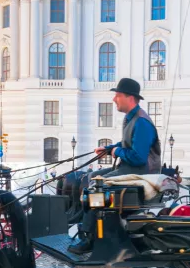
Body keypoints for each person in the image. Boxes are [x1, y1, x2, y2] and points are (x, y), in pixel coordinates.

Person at [69, 77, 161, 254]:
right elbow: (128, 142)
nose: (114, 99)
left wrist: (116, 152)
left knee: (96, 185)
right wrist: (109, 148)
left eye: (117, 95)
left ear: (129, 97)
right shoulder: (132, 117)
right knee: (89, 177)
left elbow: (138, 157)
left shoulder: (141, 122)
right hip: (132, 168)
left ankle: (88, 237)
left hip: (141, 172)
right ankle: (90, 227)